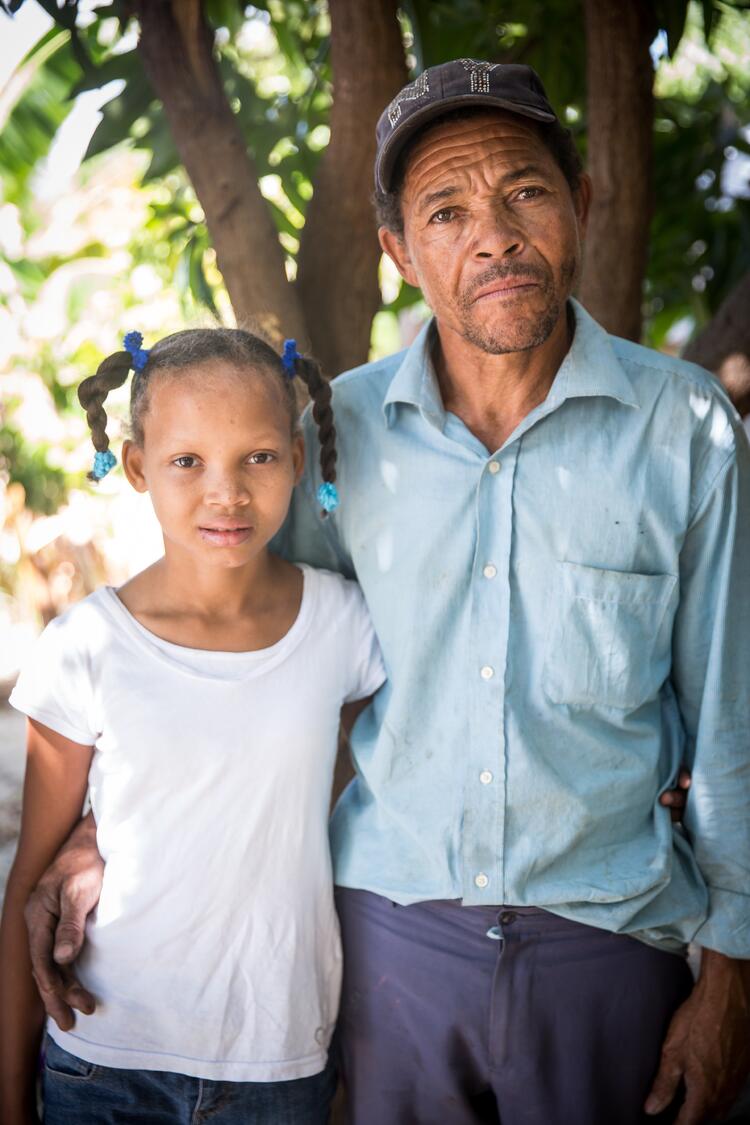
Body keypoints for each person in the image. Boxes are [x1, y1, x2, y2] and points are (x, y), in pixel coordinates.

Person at [24, 60, 750, 1125]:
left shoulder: (684, 430)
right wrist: (103, 834)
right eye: (447, 211)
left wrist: (734, 970)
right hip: (381, 945)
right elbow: (253, 661)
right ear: (401, 255)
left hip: (612, 946)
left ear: (581, 203)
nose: (494, 235)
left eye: (526, 192)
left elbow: (734, 714)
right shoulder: (334, 440)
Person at [0, 328, 386, 1124]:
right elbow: (26, 888)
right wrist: (9, 1097)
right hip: (104, 1060)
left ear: (297, 459)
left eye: (258, 457)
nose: (227, 493)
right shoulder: (87, 647)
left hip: (278, 1059)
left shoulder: (344, 626)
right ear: (137, 466)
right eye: (187, 461)